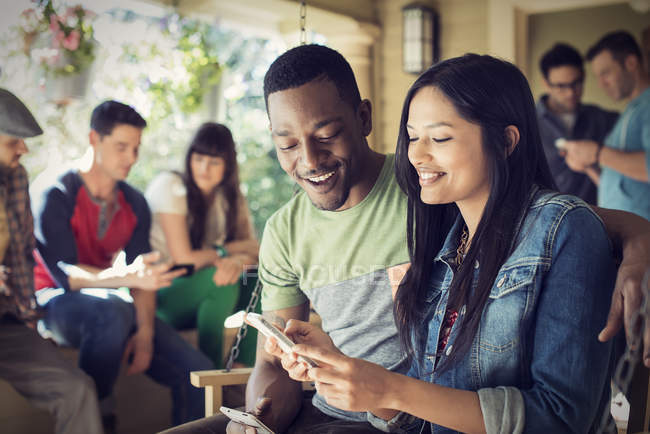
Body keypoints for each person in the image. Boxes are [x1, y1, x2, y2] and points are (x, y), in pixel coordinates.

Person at [164, 45, 650, 434]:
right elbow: (281, 362)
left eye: (438, 138)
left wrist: (639, 236)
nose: (308, 160)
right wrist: (267, 414)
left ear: (364, 118)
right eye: (287, 144)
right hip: (374, 413)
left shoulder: (433, 200)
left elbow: (554, 222)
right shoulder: (446, 231)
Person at [283, 54, 617, 433]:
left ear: (506, 141)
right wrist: (348, 373)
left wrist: (394, 389)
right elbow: (424, 418)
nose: (417, 155)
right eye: (412, 137)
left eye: (439, 138)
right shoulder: (448, 244)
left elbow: (561, 420)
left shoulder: (564, 230)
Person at [31, 100, 214, 430]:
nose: (131, 158)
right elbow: (65, 277)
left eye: (136, 148)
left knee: (197, 372)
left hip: (108, 306)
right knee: (113, 310)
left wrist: (144, 334)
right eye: (121, 147)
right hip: (51, 304)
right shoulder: (55, 194)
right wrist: (124, 277)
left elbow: (142, 276)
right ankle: (99, 410)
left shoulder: (134, 202)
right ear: (93, 139)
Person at [0, 88, 102, 434]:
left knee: (78, 391)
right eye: (13, 141)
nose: (23, 149)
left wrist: (31, 323)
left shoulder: (14, 178)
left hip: (6, 324)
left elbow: (20, 259)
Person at [145, 122, 259, 367]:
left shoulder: (228, 197)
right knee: (221, 281)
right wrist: (226, 252)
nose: (204, 169)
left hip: (203, 295)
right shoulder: (170, 186)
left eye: (214, 162)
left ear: (228, 165)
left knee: (258, 277)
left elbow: (254, 250)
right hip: (163, 297)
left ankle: (241, 372)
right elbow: (184, 260)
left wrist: (237, 261)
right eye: (198, 159)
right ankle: (212, 379)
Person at [563, 31, 650, 220]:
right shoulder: (629, 111)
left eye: (606, 73)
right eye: (597, 77)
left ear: (631, 63)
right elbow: (621, 184)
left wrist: (597, 153)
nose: (602, 84)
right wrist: (588, 166)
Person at [536, 42, 618, 204]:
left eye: (576, 83)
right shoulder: (527, 124)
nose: (571, 93)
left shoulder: (603, 119)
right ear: (546, 83)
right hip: (546, 223)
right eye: (561, 86)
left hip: (601, 220)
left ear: (584, 76)